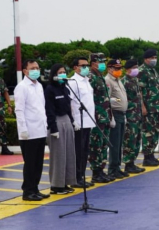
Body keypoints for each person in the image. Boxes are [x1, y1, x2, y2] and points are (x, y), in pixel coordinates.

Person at [14, 59, 50, 201]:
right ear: (25, 71)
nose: (36, 70)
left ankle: (35, 188)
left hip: (40, 130)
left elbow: (41, 107)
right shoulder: (22, 87)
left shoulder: (39, 86)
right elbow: (19, 109)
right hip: (28, 132)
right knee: (30, 164)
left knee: (38, 163)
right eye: (32, 68)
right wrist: (22, 129)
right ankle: (27, 191)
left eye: (37, 67)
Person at [44, 64, 77, 194]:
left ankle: (66, 182)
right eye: (60, 72)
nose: (63, 74)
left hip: (66, 121)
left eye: (64, 72)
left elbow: (68, 107)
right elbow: (49, 110)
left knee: (69, 153)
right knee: (58, 155)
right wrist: (53, 128)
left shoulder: (65, 88)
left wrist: (72, 122)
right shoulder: (50, 89)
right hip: (57, 122)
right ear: (54, 75)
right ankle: (56, 185)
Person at [68, 57, 96, 188]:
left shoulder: (86, 80)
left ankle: (82, 176)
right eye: (83, 65)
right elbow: (71, 103)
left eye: (87, 65)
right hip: (79, 122)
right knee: (78, 151)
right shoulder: (73, 82)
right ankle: (76, 177)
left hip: (88, 121)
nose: (86, 67)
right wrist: (73, 120)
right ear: (75, 67)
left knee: (85, 151)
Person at [88, 52, 115, 184]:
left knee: (104, 145)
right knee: (96, 145)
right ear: (93, 63)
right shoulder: (90, 77)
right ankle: (96, 172)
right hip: (96, 118)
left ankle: (101, 170)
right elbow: (90, 99)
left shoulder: (100, 77)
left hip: (105, 117)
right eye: (101, 62)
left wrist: (110, 116)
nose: (103, 64)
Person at [139, 48, 159, 166]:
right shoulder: (142, 71)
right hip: (148, 108)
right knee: (148, 132)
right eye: (152, 58)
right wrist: (142, 106)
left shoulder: (153, 71)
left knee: (155, 131)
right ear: (146, 59)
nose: (154, 60)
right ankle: (147, 157)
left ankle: (152, 155)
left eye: (155, 58)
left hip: (156, 108)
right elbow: (139, 90)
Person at [105, 58, 129, 179]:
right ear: (110, 69)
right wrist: (111, 117)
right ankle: (113, 168)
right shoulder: (108, 81)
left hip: (121, 114)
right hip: (115, 114)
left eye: (120, 68)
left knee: (119, 143)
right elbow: (108, 100)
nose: (119, 70)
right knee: (114, 143)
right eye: (116, 68)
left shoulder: (118, 80)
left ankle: (117, 167)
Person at [121, 59, 146, 174]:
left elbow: (139, 95)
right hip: (130, 115)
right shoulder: (124, 82)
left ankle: (133, 162)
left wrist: (142, 107)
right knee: (129, 139)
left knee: (137, 138)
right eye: (134, 67)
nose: (136, 69)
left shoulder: (135, 80)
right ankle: (128, 164)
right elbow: (120, 99)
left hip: (138, 114)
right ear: (128, 69)